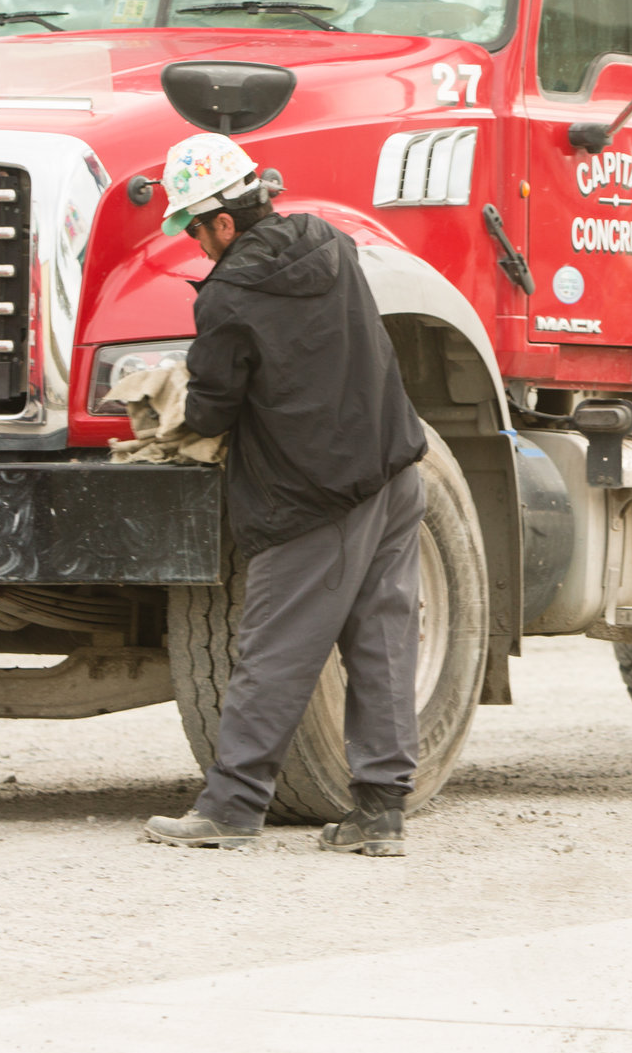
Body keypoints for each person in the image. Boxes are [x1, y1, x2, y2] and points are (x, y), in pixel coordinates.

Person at [140, 132, 430, 858]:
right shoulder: (332, 243)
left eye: (194, 228)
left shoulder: (230, 295)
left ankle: (232, 806)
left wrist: (174, 397)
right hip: (396, 471)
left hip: (314, 496)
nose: (196, 242)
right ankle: (380, 814)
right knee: (383, 642)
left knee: (274, 649)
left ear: (225, 222)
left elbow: (210, 409)